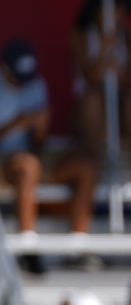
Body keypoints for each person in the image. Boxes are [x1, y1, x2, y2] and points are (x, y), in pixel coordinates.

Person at [2, 39, 97, 242]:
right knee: (28, 166)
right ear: (4, 67)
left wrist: (40, 129)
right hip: (5, 162)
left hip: (31, 157)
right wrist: (15, 124)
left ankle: (78, 245)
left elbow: (38, 145)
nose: (22, 83)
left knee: (86, 167)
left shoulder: (36, 84)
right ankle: (28, 243)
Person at [69, 0, 131, 176]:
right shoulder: (80, 35)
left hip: (122, 109)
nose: (116, 14)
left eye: (120, 8)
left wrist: (118, 72)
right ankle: (92, 168)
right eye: (111, 8)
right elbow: (88, 80)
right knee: (91, 101)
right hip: (87, 109)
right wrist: (103, 49)